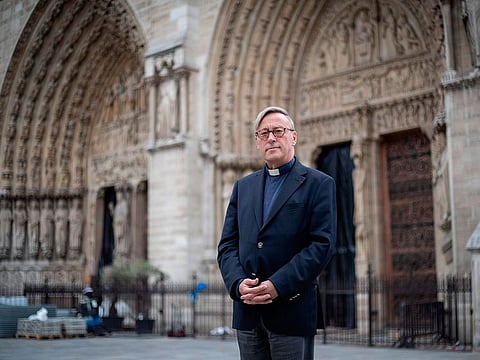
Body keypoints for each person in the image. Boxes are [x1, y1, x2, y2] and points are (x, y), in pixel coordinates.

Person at [217, 106, 337, 360]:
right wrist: (238, 284)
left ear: (293, 137)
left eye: (278, 131)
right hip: (247, 313)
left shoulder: (319, 183)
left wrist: (277, 285)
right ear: (257, 142)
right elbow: (227, 245)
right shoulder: (243, 187)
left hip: (291, 310)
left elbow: (321, 245)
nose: (271, 137)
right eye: (263, 133)